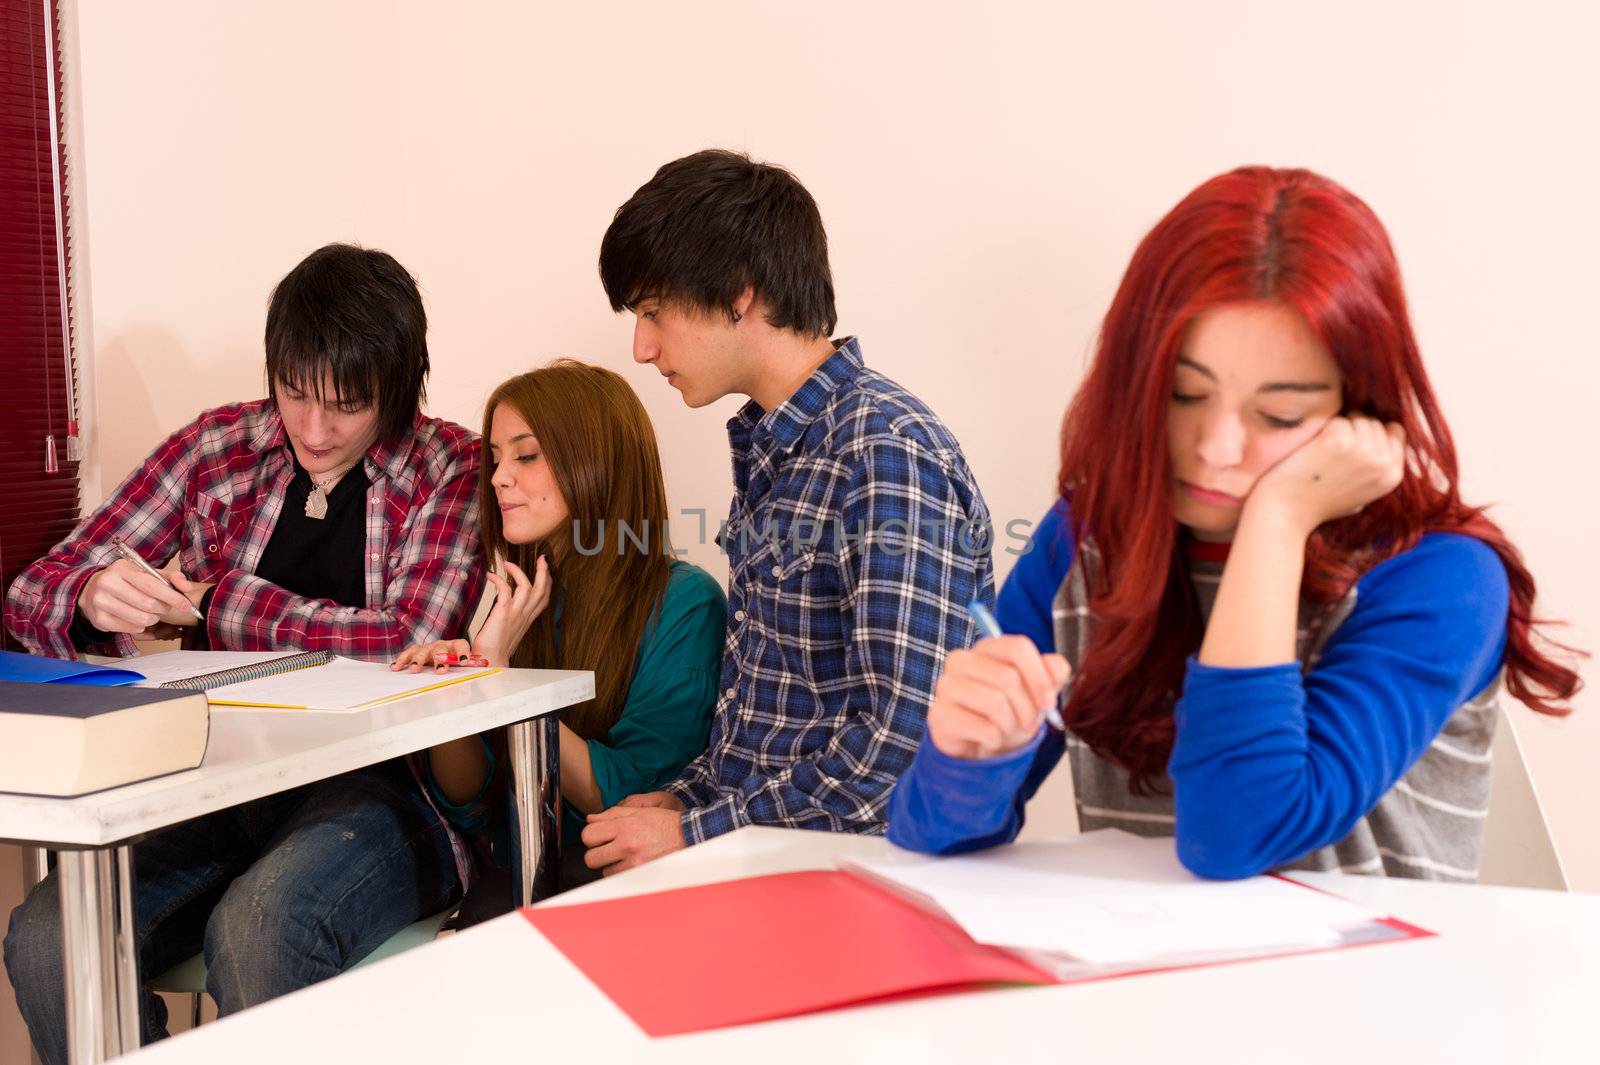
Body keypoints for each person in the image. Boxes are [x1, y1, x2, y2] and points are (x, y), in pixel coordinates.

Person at [887, 166, 1582, 881]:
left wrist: (1276, 523)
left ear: (1358, 408)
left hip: (1376, 989)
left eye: (1279, 415)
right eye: (1184, 393)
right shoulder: (1085, 541)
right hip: (1156, 983)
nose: (1217, 449)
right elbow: (928, 835)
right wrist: (971, 754)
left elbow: (1238, 835)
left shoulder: (1441, 576)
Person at [4, 243, 484, 1062]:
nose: (314, 427)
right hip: (217, 787)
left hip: (389, 798)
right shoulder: (219, 450)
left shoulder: (451, 467)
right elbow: (33, 588)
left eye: (348, 404)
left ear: (400, 390)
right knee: (48, 937)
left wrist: (223, 599)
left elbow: (403, 638)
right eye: (295, 392)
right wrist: (91, 596)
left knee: (262, 926)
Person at [582, 149, 994, 875]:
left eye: (653, 312)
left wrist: (696, 833)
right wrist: (683, 801)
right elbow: (771, 723)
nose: (642, 348)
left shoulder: (884, 451)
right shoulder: (778, 449)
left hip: (854, 880)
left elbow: (903, 742)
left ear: (739, 296)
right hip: (768, 862)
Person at [392, 360, 726, 899]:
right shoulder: (523, 598)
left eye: (526, 455)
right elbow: (472, 805)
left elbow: (630, 796)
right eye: (496, 459)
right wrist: (458, 685)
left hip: (610, 889)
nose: (500, 477)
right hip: (517, 878)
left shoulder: (686, 601)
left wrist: (500, 685)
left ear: (596, 464)